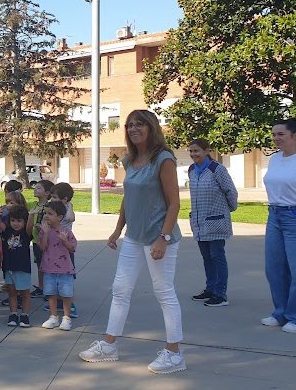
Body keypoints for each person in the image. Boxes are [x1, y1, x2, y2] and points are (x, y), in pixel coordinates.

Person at [79, 109, 186, 375]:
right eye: (130, 125)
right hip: (134, 238)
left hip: (159, 237)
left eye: (140, 124)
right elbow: (129, 199)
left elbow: (174, 203)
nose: (134, 129)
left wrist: (164, 238)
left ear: (151, 128)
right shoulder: (130, 160)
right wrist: (118, 229)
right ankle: (109, 345)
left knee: (164, 292)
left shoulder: (163, 159)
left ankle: (175, 353)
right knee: (120, 289)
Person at [187, 139, 238, 307]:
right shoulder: (192, 170)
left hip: (216, 221)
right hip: (199, 221)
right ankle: (210, 289)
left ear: (206, 150)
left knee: (217, 256)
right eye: (191, 151)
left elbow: (230, 191)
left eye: (197, 151)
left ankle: (220, 294)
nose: (194, 154)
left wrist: (228, 209)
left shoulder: (217, 170)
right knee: (206, 257)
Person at [262, 118, 296, 333]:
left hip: (294, 215)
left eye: (281, 134)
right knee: (274, 268)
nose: (276, 138)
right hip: (274, 215)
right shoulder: (274, 159)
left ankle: (294, 316)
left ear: (294, 135)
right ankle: (280, 312)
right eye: (274, 134)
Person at [38, 201, 77, 331]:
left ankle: (67, 318)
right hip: (49, 269)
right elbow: (42, 247)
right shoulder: (44, 231)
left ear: (60, 217)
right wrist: (45, 233)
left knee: (66, 294)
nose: (46, 216)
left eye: (50, 214)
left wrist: (64, 240)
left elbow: (72, 249)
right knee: (51, 294)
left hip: (65, 269)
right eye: (45, 213)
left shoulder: (66, 231)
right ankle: (53, 317)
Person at [1, 205, 31, 328]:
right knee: (12, 293)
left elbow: (29, 227)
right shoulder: (7, 230)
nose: (15, 224)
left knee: (25, 293)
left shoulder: (26, 234)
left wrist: (32, 215)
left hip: (22, 267)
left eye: (19, 221)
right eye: (13, 220)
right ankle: (13, 314)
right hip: (9, 267)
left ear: (24, 221)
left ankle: (25, 315)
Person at [26, 180, 54, 298]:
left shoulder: (51, 206)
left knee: (49, 265)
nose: (35, 190)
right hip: (36, 240)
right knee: (40, 264)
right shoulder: (33, 205)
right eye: (35, 188)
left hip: (48, 240)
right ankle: (41, 287)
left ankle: (50, 288)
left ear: (47, 193)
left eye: (38, 188)